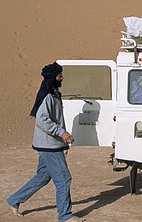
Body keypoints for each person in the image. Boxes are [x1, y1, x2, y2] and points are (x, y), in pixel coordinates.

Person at [6, 62, 84, 222]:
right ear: (53, 78)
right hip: (49, 146)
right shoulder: (47, 96)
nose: (62, 78)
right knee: (64, 179)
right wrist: (61, 133)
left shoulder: (54, 94)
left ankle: (14, 200)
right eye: (59, 75)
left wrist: (63, 139)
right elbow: (42, 119)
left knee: (42, 177)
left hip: (50, 144)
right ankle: (65, 215)